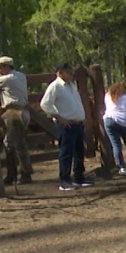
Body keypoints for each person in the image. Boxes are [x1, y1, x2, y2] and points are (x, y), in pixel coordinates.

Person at [40, 62, 93, 191]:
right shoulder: (55, 86)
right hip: (67, 125)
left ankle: (79, 178)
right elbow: (45, 104)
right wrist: (59, 118)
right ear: (60, 73)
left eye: (71, 72)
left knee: (79, 152)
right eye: (68, 72)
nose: (71, 74)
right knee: (66, 153)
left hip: (77, 124)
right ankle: (64, 180)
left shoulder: (72, 86)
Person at [0, 55, 34, 185]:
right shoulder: (20, 75)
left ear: (6, 67)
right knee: (14, 142)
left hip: (13, 112)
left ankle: (20, 173)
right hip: (23, 111)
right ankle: (16, 173)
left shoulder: (6, 79)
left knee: (14, 144)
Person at [103, 82, 126, 176]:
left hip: (110, 120)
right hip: (125, 122)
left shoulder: (108, 95)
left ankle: (121, 167)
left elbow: (107, 107)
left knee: (116, 145)